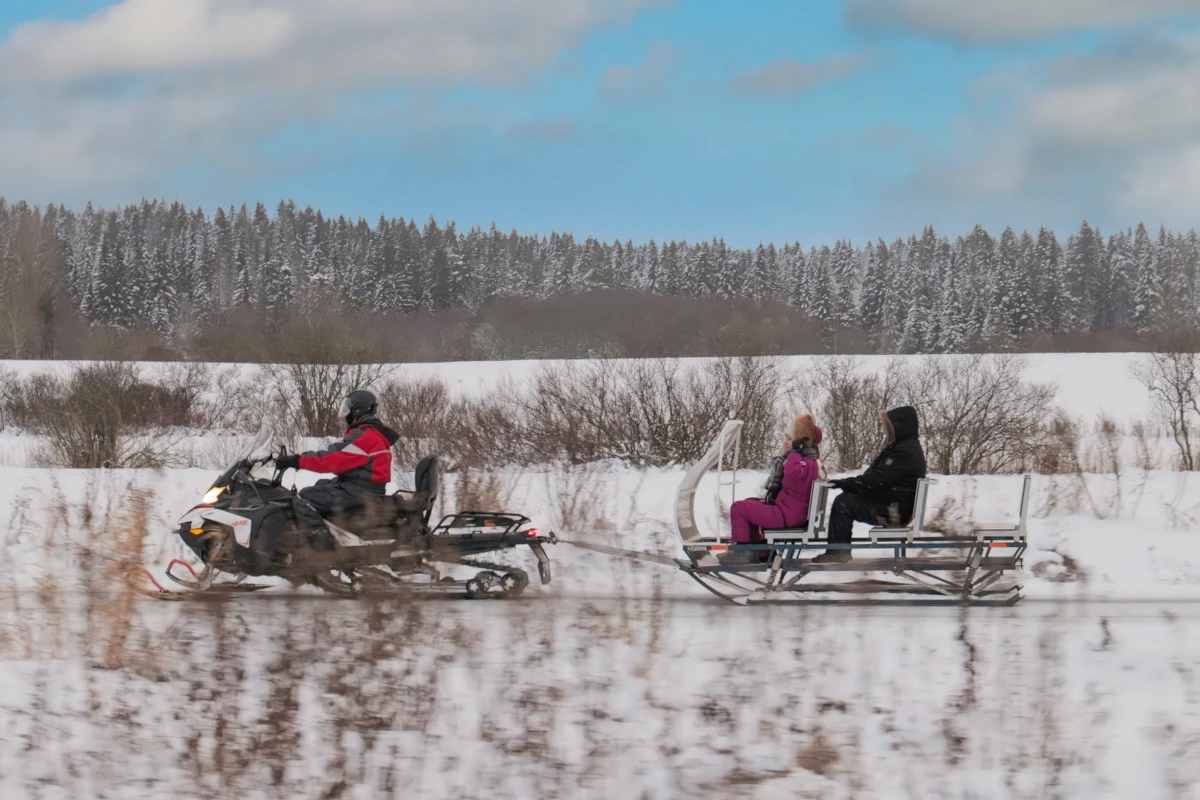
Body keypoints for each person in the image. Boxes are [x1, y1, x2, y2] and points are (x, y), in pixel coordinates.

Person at [815, 405, 926, 564]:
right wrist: (851, 484)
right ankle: (838, 551)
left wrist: (845, 483)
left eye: (890, 428)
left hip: (893, 511)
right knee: (847, 498)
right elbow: (874, 478)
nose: (887, 432)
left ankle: (838, 553)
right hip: (893, 505)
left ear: (900, 427)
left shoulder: (904, 451)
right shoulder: (905, 448)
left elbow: (875, 480)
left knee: (844, 502)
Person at [275, 389, 400, 530]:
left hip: (359, 491)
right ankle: (334, 530)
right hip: (363, 487)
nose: (346, 413)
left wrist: (297, 460)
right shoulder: (371, 433)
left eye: (348, 408)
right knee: (320, 484)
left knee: (302, 498)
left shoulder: (365, 437)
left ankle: (319, 538)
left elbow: (332, 460)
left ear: (357, 411)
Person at [722, 414, 824, 565]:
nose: (787, 441)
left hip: (788, 516)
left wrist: (795, 451)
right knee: (750, 503)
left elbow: (792, 472)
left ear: (800, 442)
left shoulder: (805, 461)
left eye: (791, 439)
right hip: (791, 513)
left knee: (739, 508)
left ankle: (741, 552)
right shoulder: (810, 460)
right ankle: (761, 551)